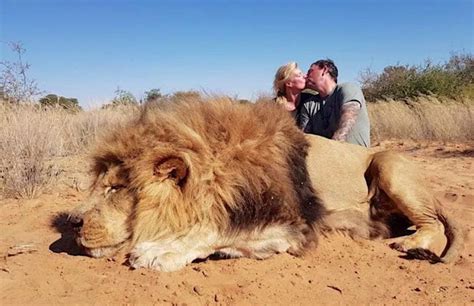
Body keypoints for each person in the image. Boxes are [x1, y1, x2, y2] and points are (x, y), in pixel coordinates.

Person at [300, 59, 371, 147]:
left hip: (355, 156)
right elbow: (305, 137)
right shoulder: (309, 105)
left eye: (310, 71)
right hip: (326, 156)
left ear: (324, 70)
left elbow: (348, 119)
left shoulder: (347, 88)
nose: (306, 76)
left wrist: (333, 149)